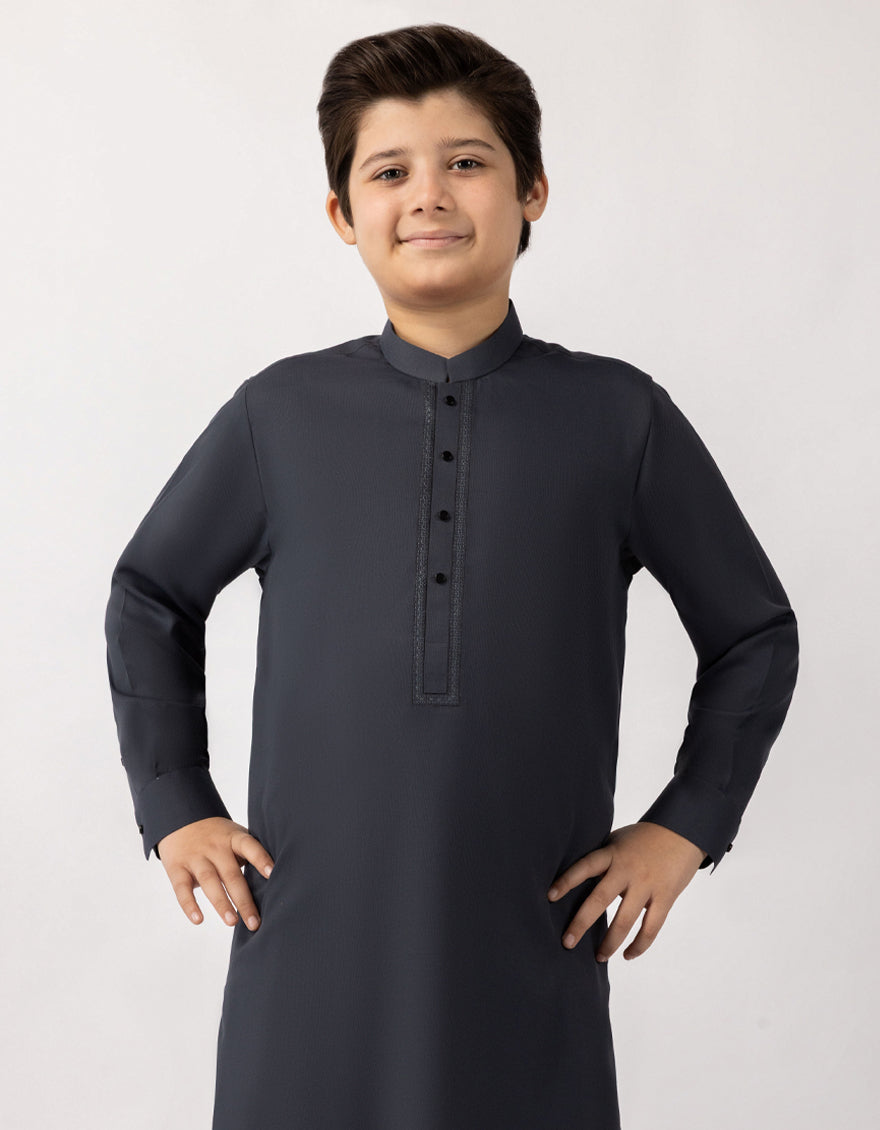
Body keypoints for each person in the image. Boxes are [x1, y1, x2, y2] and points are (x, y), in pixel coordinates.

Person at [104, 22, 799, 1130]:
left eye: (466, 162)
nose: (428, 194)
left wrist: (688, 821)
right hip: (310, 938)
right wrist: (175, 801)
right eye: (389, 171)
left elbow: (753, 632)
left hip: (527, 935)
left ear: (532, 192)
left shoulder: (618, 417)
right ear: (343, 214)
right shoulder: (278, 415)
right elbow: (151, 595)